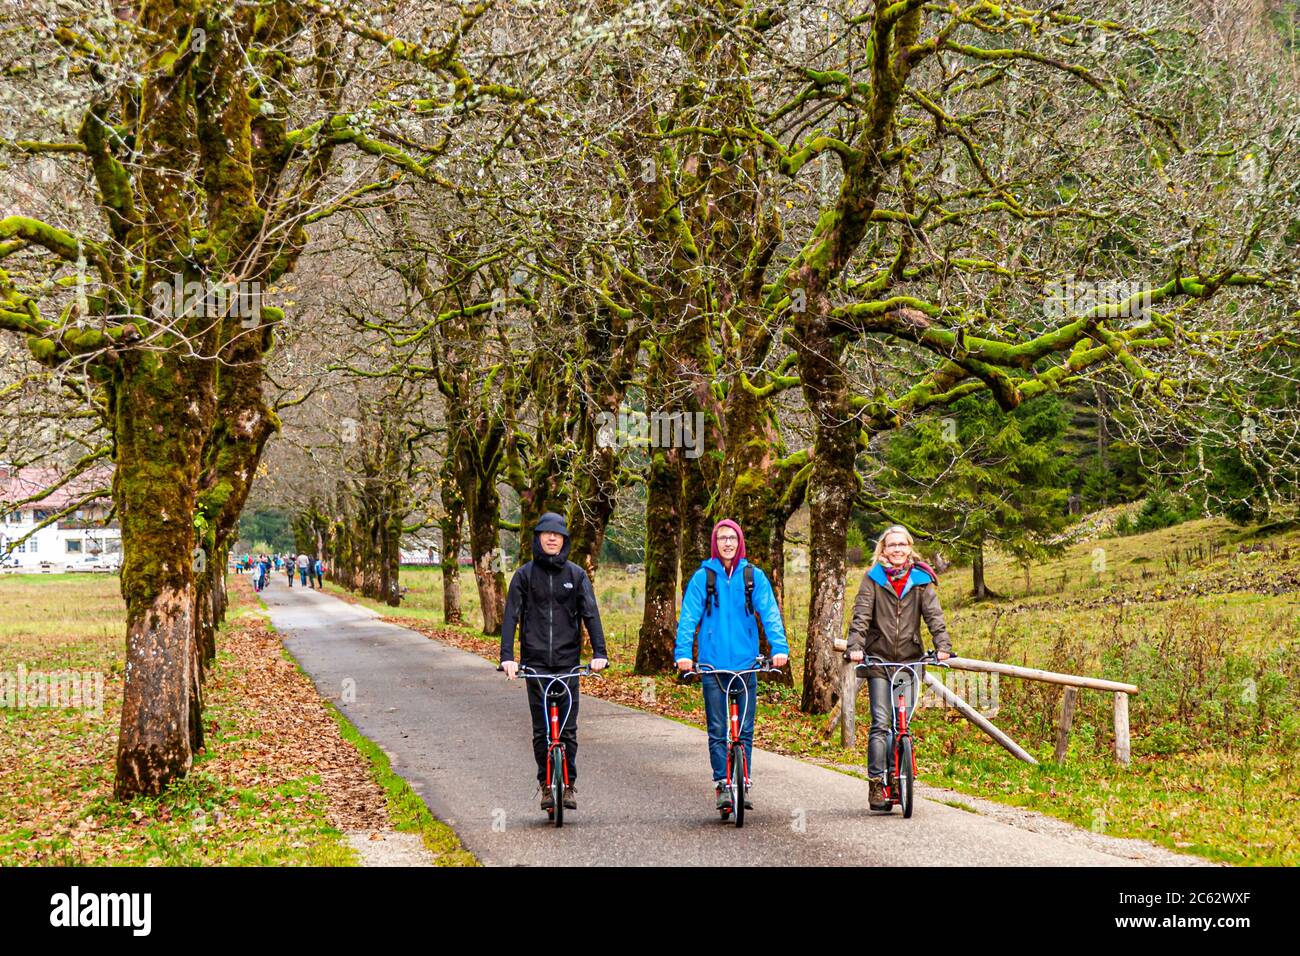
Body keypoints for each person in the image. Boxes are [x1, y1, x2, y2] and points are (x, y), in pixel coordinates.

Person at [674, 519, 789, 813]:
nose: (728, 543)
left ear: (740, 542)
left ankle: (743, 781)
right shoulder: (704, 577)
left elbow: (770, 613)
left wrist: (779, 648)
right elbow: (689, 618)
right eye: (722, 538)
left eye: (732, 538)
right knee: (717, 728)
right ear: (715, 543)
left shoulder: (753, 576)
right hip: (712, 666)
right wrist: (683, 654)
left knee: (746, 729)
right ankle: (722, 785)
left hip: (746, 664)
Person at [499, 512, 608, 813]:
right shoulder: (523, 576)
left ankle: (568, 784)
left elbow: (591, 615)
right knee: (541, 730)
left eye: (557, 535)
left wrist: (600, 653)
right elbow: (511, 617)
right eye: (546, 534)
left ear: (564, 540)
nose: (551, 538)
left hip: (568, 663)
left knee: (568, 730)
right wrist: (507, 657)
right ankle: (547, 786)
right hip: (535, 664)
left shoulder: (576, 576)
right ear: (538, 538)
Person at [846, 524, 953, 811]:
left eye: (902, 545)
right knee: (881, 724)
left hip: (909, 660)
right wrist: (855, 646)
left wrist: (943, 645)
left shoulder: (921, 580)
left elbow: (934, 615)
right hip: (879, 660)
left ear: (909, 548)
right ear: (883, 549)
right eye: (891, 545)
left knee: (900, 723)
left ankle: (898, 777)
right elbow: (861, 616)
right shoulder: (872, 579)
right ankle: (877, 784)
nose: (897, 550)